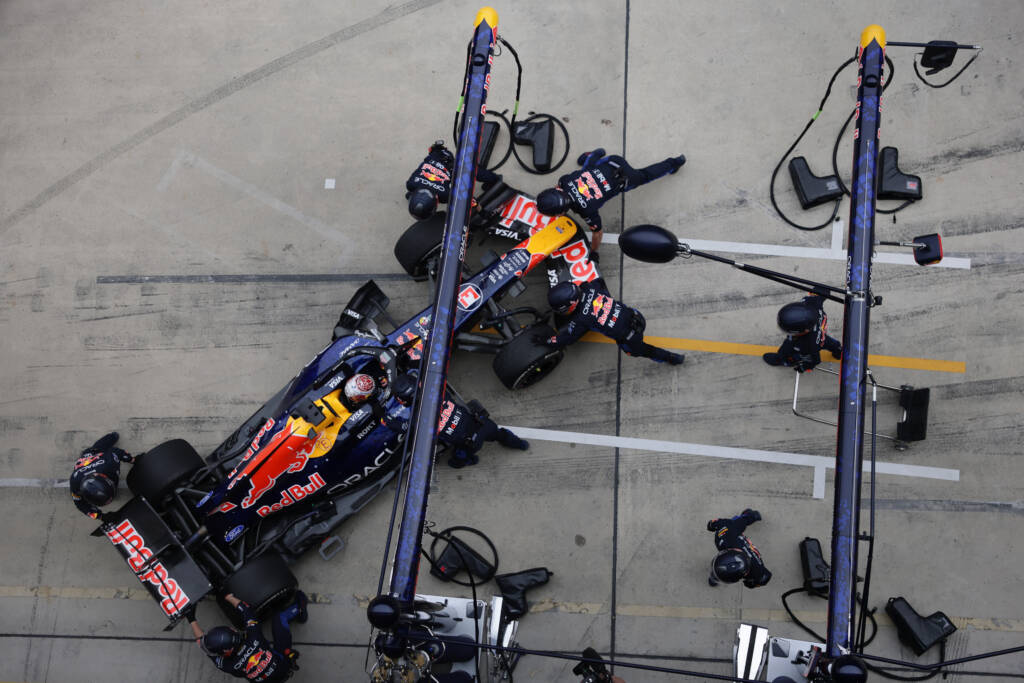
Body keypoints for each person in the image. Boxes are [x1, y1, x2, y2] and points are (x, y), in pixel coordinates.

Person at [535, 148, 686, 255]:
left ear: (562, 211)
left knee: (646, 175)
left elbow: (597, 234)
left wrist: (593, 251)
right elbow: (558, 189)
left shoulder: (587, 211)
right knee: (586, 169)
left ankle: (674, 163)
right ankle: (596, 153)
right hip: (612, 161)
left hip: (625, 177)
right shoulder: (564, 181)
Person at [391, 375, 530, 468]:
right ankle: (520, 444)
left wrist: (385, 420)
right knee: (500, 433)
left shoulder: (418, 420)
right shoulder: (439, 390)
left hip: (470, 443)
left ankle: (470, 460)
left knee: (457, 460)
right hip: (483, 424)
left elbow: (405, 428)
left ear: (402, 401)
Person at [537, 281, 685, 365]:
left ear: (571, 305)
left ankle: (672, 358)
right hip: (636, 315)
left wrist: (546, 341)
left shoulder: (580, 321)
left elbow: (566, 339)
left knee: (637, 351)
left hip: (630, 337)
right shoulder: (591, 288)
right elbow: (592, 283)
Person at [188, 591, 308, 682]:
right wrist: (229, 597)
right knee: (279, 618)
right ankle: (300, 609)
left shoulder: (229, 666)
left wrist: (191, 619)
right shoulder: (254, 635)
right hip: (283, 665)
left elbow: (203, 644)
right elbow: (247, 610)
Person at [406, 140, 501, 220]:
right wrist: (482, 212)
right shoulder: (411, 183)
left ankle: (496, 179)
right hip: (438, 153)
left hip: (450, 163)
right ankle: (493, 178)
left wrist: (482, 213)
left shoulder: (446, 195)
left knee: (472, 172)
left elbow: (470, 200)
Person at [763, 289, 842, 372]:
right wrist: (820, 289)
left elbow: (815, 360)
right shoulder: (812, 302)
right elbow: (823, 292)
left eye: (789, 331)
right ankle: (838, 351)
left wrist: (804, 367)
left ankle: (785, 360)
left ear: (805, 331)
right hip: (821, 335)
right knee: (833, 344)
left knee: (786, 348)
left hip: (813, 342)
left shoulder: (808, 345)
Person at [70, 432, 133, 522]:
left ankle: (112, 436)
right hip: (84, 462)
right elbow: (79, 504)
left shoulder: (110, 463)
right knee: (88, 452)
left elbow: (117, 452)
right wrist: (101, 516)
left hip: (95, 453)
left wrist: (132, 459)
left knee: (102, 445)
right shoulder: (74, 484)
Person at [706, 509, 771, 589]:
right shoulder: (758, 573)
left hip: (733, 534)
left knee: (739, 522)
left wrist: (711, 525)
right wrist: (751, 584)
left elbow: (718, 523)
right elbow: (764, 578)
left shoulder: (724, 538)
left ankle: (714, 578)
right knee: (742, 520)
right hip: (733, 532)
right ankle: (750, 515)